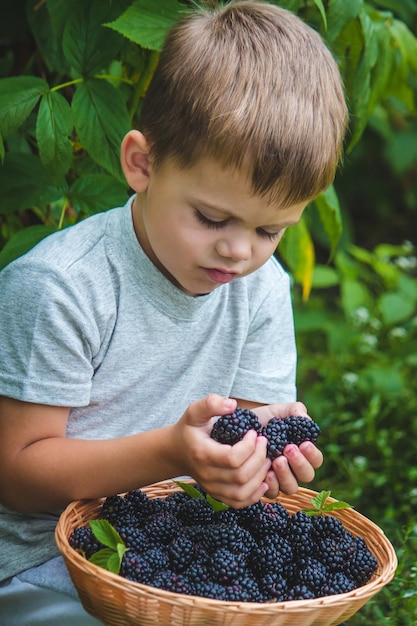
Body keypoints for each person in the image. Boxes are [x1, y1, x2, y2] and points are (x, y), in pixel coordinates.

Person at [0, 1, 348, 623]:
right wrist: (174, 452)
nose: (239, 252)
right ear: (142, 164)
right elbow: (18, 474)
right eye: (212, 218)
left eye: (271, 230)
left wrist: (257, 463)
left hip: (166, 546)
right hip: (32, 564)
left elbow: (239, 436)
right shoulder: (61, 288)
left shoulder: (261, 288)